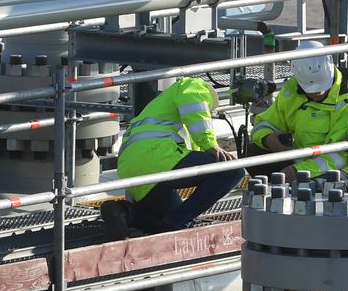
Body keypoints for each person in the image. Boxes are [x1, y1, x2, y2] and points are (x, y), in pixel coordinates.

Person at [102, 76, 243, 235]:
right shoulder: (194, 85)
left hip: (133, 168)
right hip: (157, 156)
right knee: (232, 171)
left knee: (170, 217)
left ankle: (127, 214)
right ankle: (174, 223)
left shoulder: (160, 110)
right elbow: (195, 108)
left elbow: (193, 152)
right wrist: (211, 145)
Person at [246, 41, 348, 176]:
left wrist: (299, 170)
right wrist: (268, 138)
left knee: (323, 182)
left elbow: (340, 156)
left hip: (340, 171)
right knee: (254, 154)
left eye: (321, 88)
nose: (317, 93)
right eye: (311, 90)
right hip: (300, 162)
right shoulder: (292, 91)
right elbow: (266, 122)